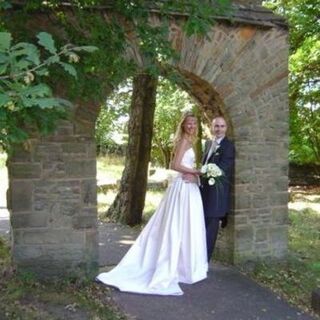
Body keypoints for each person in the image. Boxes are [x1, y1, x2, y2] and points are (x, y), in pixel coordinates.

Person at [96, 112, 208, 295]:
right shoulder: (184, 142)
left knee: (187, 225)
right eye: (188, 123)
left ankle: (184, 265)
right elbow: (175, 165)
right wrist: (196, 172)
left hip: (189, 187)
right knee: (178, 225)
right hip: (183, 188)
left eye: (194, 123)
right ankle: (176, 266)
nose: (191, 126)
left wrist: (193, 173)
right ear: (183, 125)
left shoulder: (190, 140)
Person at [200, 116, 235, 262]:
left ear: (226, 128)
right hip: (203, 193)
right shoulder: (208, 144)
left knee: (210, 230)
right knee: (200, 228)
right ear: (212, 127)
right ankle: (196, 258)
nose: (219, 129)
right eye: (216, 126)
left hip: (216, 196)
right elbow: (204, 164)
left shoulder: (228, 147)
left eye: (222, 126)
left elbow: (223, 169)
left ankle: (204, 262)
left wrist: (201, 172)